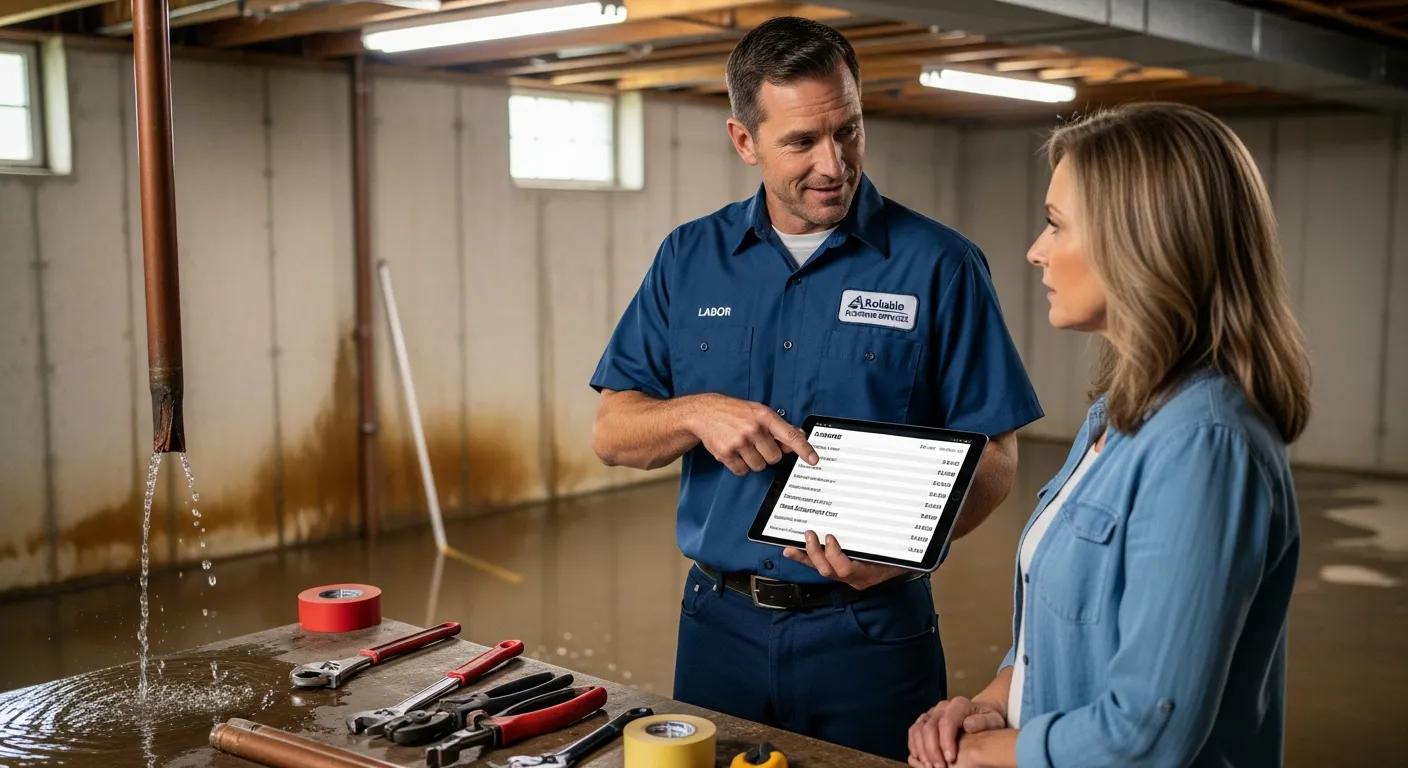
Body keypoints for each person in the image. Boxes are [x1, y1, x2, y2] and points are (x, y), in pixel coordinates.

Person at [588, 16, 1043, 760]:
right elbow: (613, 433)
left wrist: (904, 556)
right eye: (802, 142)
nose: (834, 164)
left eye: (850, 131)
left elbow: (995, 455)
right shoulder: (688, 257)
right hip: (717, 627)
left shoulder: (941, 266)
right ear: (744, 141)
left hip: (871, 631)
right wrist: (694, 412)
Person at [907, 102, 1312, 768]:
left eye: (1056, 226)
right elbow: (1067, 637)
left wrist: (980, 756)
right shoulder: (1120, 416)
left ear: (1142, 244)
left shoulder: (1204, 446)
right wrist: (993, 703)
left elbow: (1147, 734)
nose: (1035, 250)